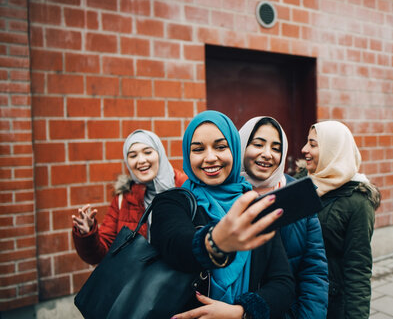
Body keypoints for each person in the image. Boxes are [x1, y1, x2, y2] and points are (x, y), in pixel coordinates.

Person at [150, 110, 295, 319]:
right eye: (198, 149)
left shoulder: (255, 207)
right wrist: (214, 242)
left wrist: (241, 312)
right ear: (187, 154)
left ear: (235, 151)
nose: (210, 158)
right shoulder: (172, 202)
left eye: (220, 147)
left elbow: (283, 284)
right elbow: (175, 244)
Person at [238, 116, 329, 319]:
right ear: (241, 145)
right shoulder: (226, 196)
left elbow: (314, 269)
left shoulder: (298, 195)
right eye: (258, 144)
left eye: (276, 148)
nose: (267, 154)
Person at [297, 120, 381, 319]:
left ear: (333, 151)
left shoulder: (359, 203)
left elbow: (357, 269)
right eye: (307, 142)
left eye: (313, 144)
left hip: (331, 304)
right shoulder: (302, 183)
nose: (304, 149)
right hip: (297, 292)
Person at [72, 129, 187, 265]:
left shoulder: (185, 189)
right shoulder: (124, 198)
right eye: (133, 156)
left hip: (179, 282)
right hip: (140, 284)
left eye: (148, 152)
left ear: (159, 153)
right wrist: (88, 234)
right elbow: (101, 253)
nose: (141, 160)